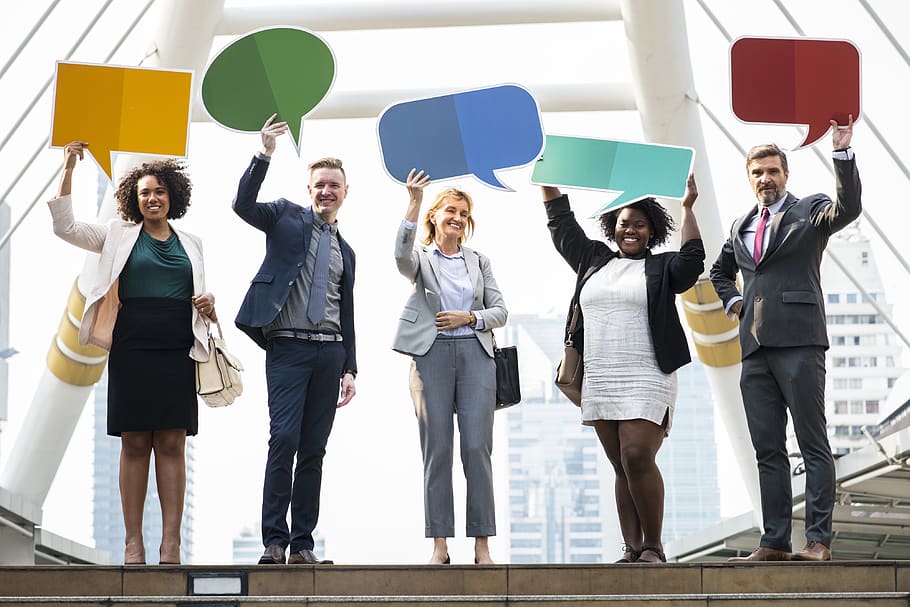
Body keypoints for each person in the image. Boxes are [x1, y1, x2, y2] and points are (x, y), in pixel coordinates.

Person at [48, 142, 216, 565]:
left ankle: (171, 544)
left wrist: (210, 305)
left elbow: (198, 296)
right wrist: (68, 167)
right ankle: (133, 543)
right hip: (132, 343)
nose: (153, 198)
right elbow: (65, 228)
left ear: (172, 196)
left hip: (177, 345)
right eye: (145, 193)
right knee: (136, 440)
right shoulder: (116, 235)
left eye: (159, 191)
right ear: (134, 200)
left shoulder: (192, 242)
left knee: (174, 440)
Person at [710, 117, 861, 562]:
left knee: (813, 445)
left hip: (800, 342)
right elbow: (719, 271)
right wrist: (733, 302)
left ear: (785, 175)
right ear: (749, 178)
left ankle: (817, 542)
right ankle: (774, 542)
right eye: (757, 172)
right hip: (754, 349)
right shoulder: (740, 226)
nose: (765, 179)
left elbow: (847, 209)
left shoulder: (809, 210)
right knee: (767, 450)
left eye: (773, 171)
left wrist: (842, 154)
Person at [541, 175, 703, 563]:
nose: (630, 229)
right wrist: (546, 177)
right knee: (619, 464)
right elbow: (560, 223)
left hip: (648, 374)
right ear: (613, 226)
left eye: (639, 224)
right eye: (624, 223)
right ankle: (631, 548)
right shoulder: (593, 259)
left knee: (636, 455)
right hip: (601, 374)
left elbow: (693, 261)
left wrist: (687, 208)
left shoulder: (663, 267)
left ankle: (654, 546)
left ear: (652, 232)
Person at [233, 114, 357, 566]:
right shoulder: (284, 216)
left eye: (334, 186)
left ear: (345, 193)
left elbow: (346, 313)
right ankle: (274, 541)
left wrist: (351, 368)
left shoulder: (348, 252)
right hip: (287, 347)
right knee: (283, 438)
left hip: (330, 353)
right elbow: (242, 204)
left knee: (314, 449)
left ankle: (304, 544)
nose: (326, 191)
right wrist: (264, 152)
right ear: (310, 190)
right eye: (320, 184)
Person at [392, 170, 508, 565]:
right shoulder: (420, 258)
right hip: (431, 356)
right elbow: (399, 256)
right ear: (435, 217)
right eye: (449, 211)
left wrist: (469, 319)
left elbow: (500, 311)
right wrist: (413, 201)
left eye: (463, 212)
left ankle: (482, 545)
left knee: (477, 449)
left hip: (476, 357)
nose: (456, 217)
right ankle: (440, 545)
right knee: (437, 450)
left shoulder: (480, 260)